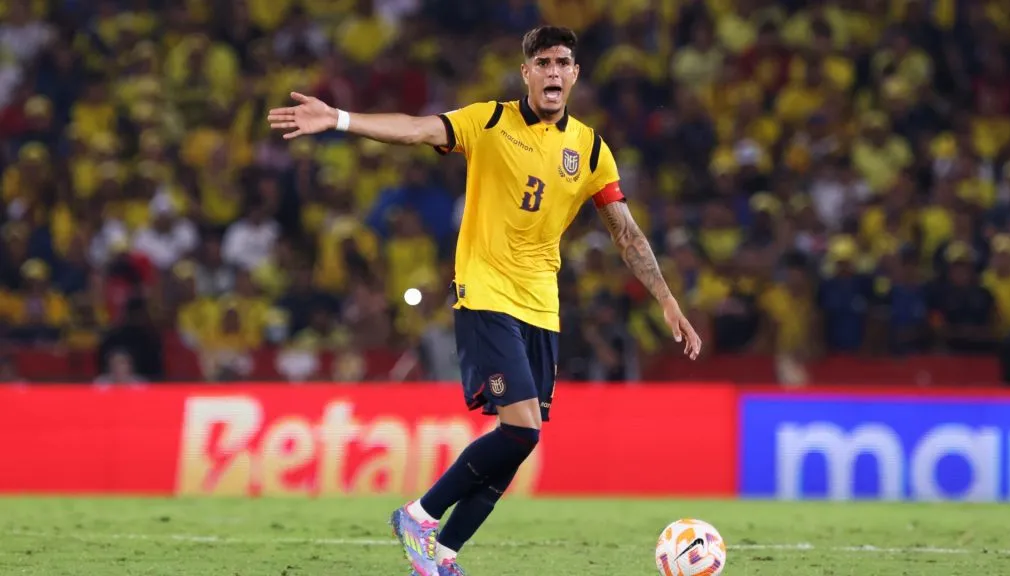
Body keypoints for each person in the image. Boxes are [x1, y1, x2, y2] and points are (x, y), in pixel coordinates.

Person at [268, 25, 702, 576]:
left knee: (520, 439)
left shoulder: (591, 148)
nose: (552, 72)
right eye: (541, 62)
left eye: (562, 62)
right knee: (521, 429)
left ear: (574, 74)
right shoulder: (490, 121)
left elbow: (627, 234)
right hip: (486, 292)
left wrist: (665, 299)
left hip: (541, 305)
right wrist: (341, 120)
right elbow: (417, 129)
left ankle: (443, 555)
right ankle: (420, 515)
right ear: (526, 73)